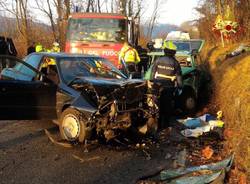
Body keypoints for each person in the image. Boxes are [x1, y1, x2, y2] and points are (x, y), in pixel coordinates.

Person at [151, 40, 182, 127]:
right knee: (167, 106)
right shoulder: (176, 63)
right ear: (173, 52)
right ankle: (166, 125)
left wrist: (153, 82)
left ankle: (157, 124)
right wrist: (180, 87)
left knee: (156, 105)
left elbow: (152, 74)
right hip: (168, 87)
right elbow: (179, 77)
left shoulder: (158, 60)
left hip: (157, 87)